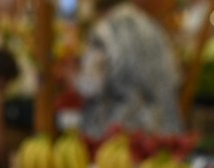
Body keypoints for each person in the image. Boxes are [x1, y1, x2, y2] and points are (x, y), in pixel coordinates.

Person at [74, 0, 183, 139]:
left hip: (116, 136)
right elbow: (175, 78)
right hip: (162, 134)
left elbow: (90, 86)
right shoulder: (154, 29)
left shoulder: (103, 31)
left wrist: (72, 78)